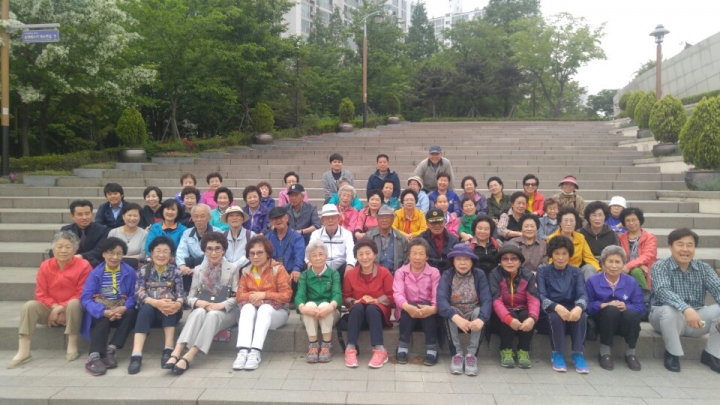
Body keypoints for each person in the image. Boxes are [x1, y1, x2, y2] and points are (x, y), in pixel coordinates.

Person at [7, 231, 91, 369]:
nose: (63, 250)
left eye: (68, 247)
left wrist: (60, 308)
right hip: (50, 309)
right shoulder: (45, 265)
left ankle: (72, 345)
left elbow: (82, 293)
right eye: (59, 246)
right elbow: (40, 294)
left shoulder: (84, 265)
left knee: (74, 303)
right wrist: (54, 307)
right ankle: (23, 351)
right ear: (53, 248)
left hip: (74, 310)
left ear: (75, 249)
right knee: (29, 306)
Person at [165, 232, 240, 375]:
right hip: (205, 307)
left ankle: (190, 355)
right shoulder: (199, 269)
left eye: (217, 248)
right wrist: (201, 303)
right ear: (204, 250)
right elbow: (190, 297)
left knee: (212, 315)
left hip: (226, 311)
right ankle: (177, 351)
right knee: (198, 312)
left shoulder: (232, 268)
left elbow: (236, 295)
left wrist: (221, 305)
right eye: (209, 249)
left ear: (224, 250)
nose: (213, 252)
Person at [649, 228, 720, 373]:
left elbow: (718, 288)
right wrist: (686, 309)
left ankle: (712, 354)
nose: (685, 249)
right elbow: (663, 291)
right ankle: (672, 353)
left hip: (697, 322)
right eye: (680, 244)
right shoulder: (660, 266)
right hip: (667, 320)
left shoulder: (704, 268)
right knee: (669, 311)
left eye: (689, 245)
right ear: (670, 247)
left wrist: (692, 312)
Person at [127, 236, 185, 374]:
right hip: (149, 310)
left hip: (171, 309)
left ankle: (168, 350)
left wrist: (177, 304)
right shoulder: (143, 271)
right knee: (146, 309)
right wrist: (156, 303)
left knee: (170, 307)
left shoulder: (176, 271)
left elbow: (181, 293)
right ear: (151, 253)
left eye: (165, 252)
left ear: (171, 255)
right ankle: (136, 355)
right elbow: (139, 293)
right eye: (158, 251)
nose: (161, 255)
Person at [80, 238, 138, 376]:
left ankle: (111, 349)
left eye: (119, 253)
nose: (115, 257)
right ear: (104, 254)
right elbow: (86, 298)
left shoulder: (129, 271)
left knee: (131, 313)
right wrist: (103, 311)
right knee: (103, 319)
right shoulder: (96, 273)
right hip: (101, 309)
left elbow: (134, 295)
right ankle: (94, 357)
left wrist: (124, 308)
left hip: (120, 309)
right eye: (111, 253)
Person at [233, 235, 291, 371]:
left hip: (277, 313)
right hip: (254, 313)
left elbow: (287, 295)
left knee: (265, 308)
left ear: (267, 254)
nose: (255, 256)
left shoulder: (278, 269)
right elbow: (239, 295)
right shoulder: (246, 271)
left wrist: (265, 295)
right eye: (252, 253)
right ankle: (243, 351)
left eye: (259, 252)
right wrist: (253, 296)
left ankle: (255, 352)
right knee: (247, 307)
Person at [586, 246, 644, 371]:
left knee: (631, 314)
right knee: (611, 310)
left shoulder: (631, 282)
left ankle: (630, 353)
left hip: (625, 320)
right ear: (603, 263)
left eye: (617, 262)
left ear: (623, 264)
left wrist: (626, 306)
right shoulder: (592, 281)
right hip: (603, 320)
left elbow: (640, 307)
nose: (613, 266)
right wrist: (603, 305)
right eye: (610, 261)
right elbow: (587, 305)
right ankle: (604, 352)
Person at [536, 235, 589, 374]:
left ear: (569, 255)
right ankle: (557, 353)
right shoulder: (543, 271)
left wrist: (579, 307)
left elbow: (582, 294)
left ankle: (578, 354)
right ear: (551, 254)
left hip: (570, 306)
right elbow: (540, 295)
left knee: (582, 316)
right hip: (549, 309)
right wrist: (556, 307)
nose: (561, 257)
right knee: (555, 316)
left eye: (564, 253)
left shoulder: (576, 271)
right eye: (557, 253)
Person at [437, 244, 492, 376]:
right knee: (448, 311)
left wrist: (482, 319)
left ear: (472, 261)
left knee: (479, 312)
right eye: (458, 259)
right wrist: (455, 317)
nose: (462, 263)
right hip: (455, 311)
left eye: (466, 259)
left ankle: (471, 355)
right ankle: (456, 354)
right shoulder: (447, 274)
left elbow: (487, 299)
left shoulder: (479, 274)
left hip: (473, 310)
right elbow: (441, 299)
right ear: (453, 261)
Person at [342, 238, 395, 369]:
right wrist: (355, 301)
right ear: (356, 257)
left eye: (368, 253)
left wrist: (376, 300)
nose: (364, 257)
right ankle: (350, 349)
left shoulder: (384, 273)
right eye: (360, 254)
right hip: (358, 316)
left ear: (375, 254)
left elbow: (392, 296)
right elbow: (345, 297)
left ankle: (380, 350)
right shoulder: (350, 274)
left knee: (372, 308)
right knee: (358, 307)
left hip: (378, 316)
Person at [489, 244, 540, 369]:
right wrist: (508, 319)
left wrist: (532, 318)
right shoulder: (495, 274)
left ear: (520, 261)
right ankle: (505, 350)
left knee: (526, 315)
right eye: (505, 259)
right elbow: (496, 300)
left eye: (514, 258)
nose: (509, 262)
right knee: (510, 314)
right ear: (500, 261)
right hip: (500, 316)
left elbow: (533, 298)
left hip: (522, 311)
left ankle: (523, 350)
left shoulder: (527, 275)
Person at [393, 238, 441, 366]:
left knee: (427, 306)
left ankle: (431, 349)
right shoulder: (401, 272)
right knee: (410, 305)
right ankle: (402, 347)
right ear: (409, 255)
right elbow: (398, 294)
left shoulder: (434, 272)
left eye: (421, 254)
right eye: (414, 253)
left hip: (428, 315)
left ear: (427, 256)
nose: (417, 257)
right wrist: (408, 307)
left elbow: (437, 295)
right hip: (407, 315)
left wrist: (433, 309)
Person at [296, 241, 341, 363]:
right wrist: (303, 308)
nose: (318, 258)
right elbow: (300, 295)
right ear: (309, 258)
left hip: (330, 312)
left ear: (326, 256)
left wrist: (331, 307)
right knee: (309, 305)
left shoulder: (333, 274)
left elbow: (337, 294)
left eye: (321, 254)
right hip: (310, 313)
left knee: (325, 305)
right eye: (314, 255)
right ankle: (313, 346)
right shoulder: (305, 275)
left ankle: (326, 346)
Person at [176, 204, 221, 293]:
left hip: (211, 264)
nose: (199, 219)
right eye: (196, 216)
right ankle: (187, 293)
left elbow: (214, 254)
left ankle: (205, 293)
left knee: (198, 260)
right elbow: (181, 250)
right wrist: (182, 266)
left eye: (202, 216)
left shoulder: (217, 232)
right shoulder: (187, 233)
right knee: (187, 261)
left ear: (209, 218)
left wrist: (198, 269)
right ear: (192, 218)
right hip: (192, 267)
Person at [546, 207, 601, 280]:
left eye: (572, 221)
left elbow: (589, 257)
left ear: (575, 223)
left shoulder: (580, 237)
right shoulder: (551, 238)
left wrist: (599, 270)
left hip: (576, 271)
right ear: (560, 223)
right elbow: (551, 260)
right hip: (558, 271)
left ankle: (593, 287)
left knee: (589, 268)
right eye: (566, 220)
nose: (569, 224)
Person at [265, 207, 305, 306]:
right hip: (273, 270)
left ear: (287, 218)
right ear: (271, 221)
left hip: (290, 270)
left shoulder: (297, 237)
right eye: (275, 218)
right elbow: (265, 256)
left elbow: (299, 255)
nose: (278, 220)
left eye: (281, 217)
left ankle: (292, 299)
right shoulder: (267, 238)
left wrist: (296, 268)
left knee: (297, 272)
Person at [309, 204, 356, 283]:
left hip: (341, 268)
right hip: (321, 266)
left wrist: (350, 264)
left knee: (353, 266)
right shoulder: (316, 234)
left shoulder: (347, 234)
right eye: (327, 218)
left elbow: (351, 250)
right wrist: (309, 262)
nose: (330, 220)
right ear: (322, 221)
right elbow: (310, 251)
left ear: (338, 219)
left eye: (333, 217)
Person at [57, 200, 109, 268]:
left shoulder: (102, 230)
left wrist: (82, 256)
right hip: (71, 265)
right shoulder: (66, 230)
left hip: (94, 266)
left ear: (91, 214)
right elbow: (55, 249)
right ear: (72, 216)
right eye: (80, 215)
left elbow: (99, 250)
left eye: (87, 214)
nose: (84, 217)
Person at [618, 207, 657, 290]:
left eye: (634, 220)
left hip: (645, 268)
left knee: (636, 271)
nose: (631, 223)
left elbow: (648, 255)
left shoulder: (649, 237)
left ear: (640, 220)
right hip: (624, 268)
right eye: (627, 220)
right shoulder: (620, 237)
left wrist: (630, 266)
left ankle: (646, 295)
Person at [366, 206, 409, 274]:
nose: (384, 220)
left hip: (396, 276)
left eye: (388, 217)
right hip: (374, 275)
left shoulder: (401, 238)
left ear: (393, 220)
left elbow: (407, 261)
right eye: (381, 217)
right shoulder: (369, 237)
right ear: (377, 219)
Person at [419, 208, 459, 274]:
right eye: (433, 223)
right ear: (427, 224)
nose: (437, 226)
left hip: (449, 274)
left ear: (444, 222)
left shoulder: (454, 240)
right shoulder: (420, 240)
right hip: (426, 274)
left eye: (440, 222)